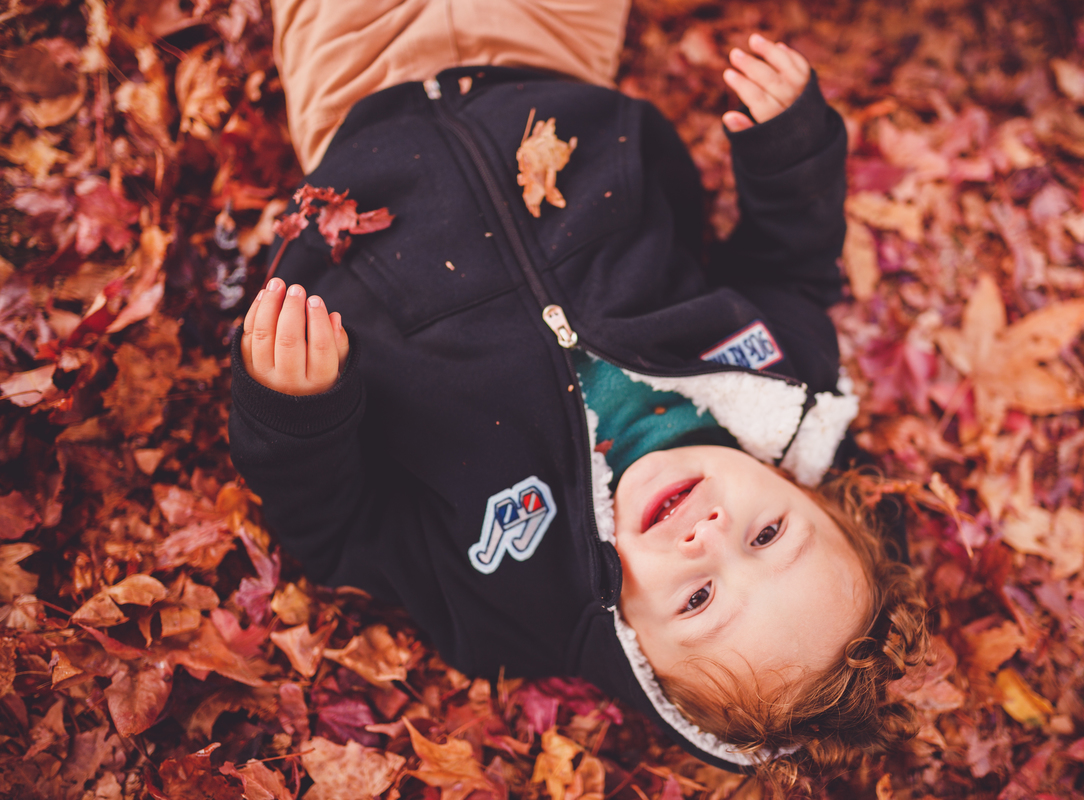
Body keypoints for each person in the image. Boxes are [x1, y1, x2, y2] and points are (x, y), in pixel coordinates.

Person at [230, 0, 928, 786]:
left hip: (361, 120)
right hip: (550, 74)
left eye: (698, 599)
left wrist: (299, 411)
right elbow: (789, 266)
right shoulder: (780, 376)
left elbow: (341, 530)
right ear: (809, 493)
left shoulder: (506, 593)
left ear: (640, 656)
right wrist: (791, 153)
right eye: (768, 535)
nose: (710, 536)